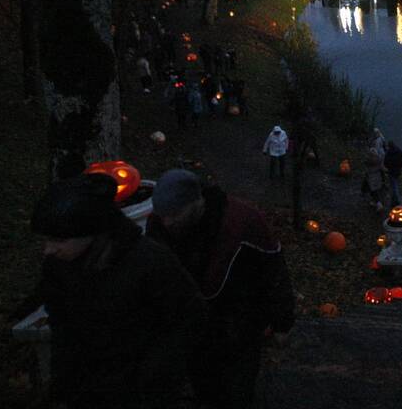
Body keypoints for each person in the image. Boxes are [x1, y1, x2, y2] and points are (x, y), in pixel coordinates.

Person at [30, 174, 205, 409]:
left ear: (90, 233)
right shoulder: (60, 267)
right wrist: (62, 388)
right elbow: (63, 327)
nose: (48, 250)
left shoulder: (151, 263)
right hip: (88, 390)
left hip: (142, 392)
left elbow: (188, 318)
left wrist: (154, 377)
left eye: (58, 240)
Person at [147, 170, 295, 408]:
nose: (168, 221)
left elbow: (273, 269)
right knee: (204, 386)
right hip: (193, 327)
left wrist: (282, 321)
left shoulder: (243, 223)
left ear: (196, 202)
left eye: (175, 214)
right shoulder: (160, 224)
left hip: (238, 326)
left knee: (236, 391)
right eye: (163, 215)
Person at [383, 139, 402, 206]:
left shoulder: (388, 153)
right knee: (395, 184)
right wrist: (400, 167)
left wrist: (388, 168)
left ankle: (396, 200)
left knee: (393, 185)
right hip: (398, 171)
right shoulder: (399, 151)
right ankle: (394, 198)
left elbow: (385, 163)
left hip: (391, 172)